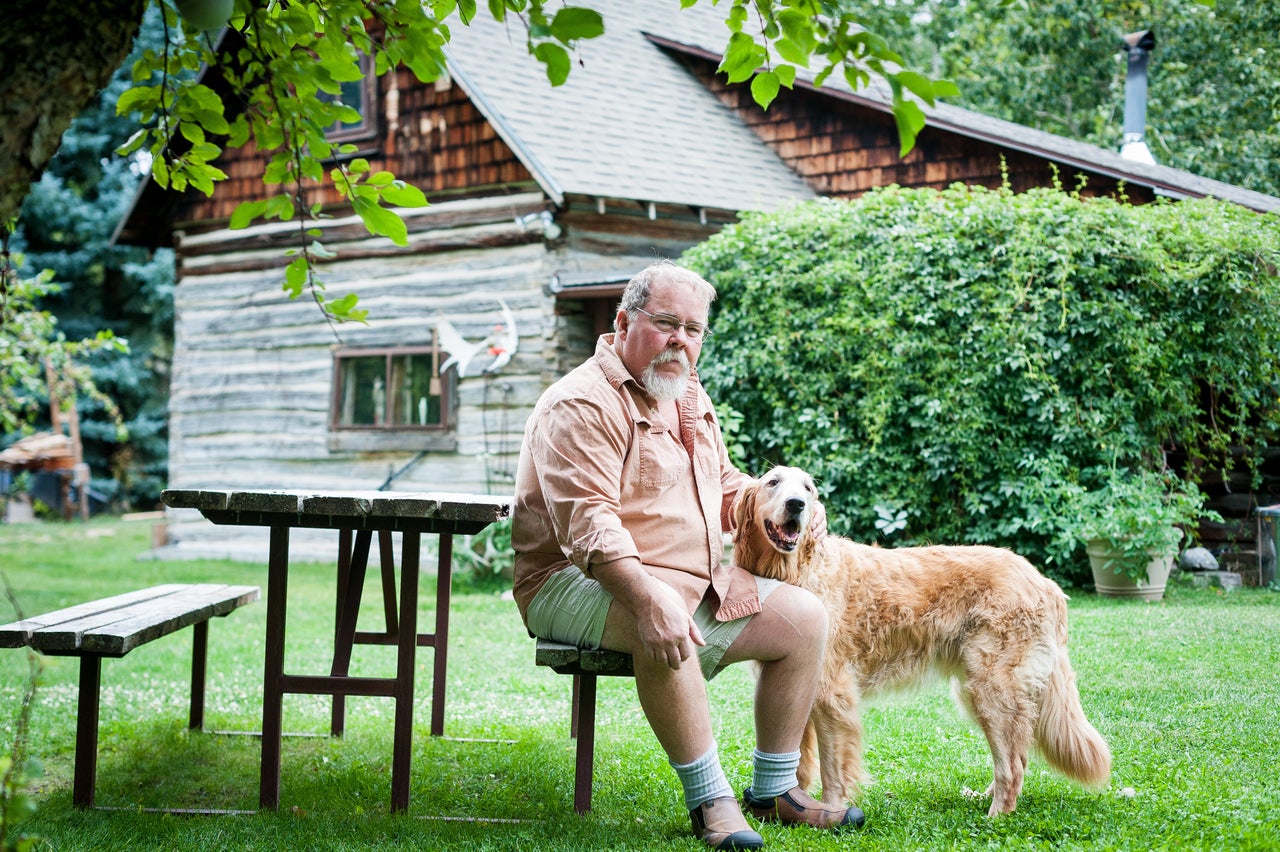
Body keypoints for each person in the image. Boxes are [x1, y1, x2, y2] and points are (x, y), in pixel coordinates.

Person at [512, 261, 864, 849]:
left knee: (806, 619)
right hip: (567, 580)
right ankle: (711, 803)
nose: (682, 341)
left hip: (683, 576)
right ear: (623, 322)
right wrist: (649, 594)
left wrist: (779, 502)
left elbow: (723, 482)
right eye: (667, 323)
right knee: (665, 606)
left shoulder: (686, 392)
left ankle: (774, 790)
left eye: (694, 329)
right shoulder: (580, 404)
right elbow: (590, 526)